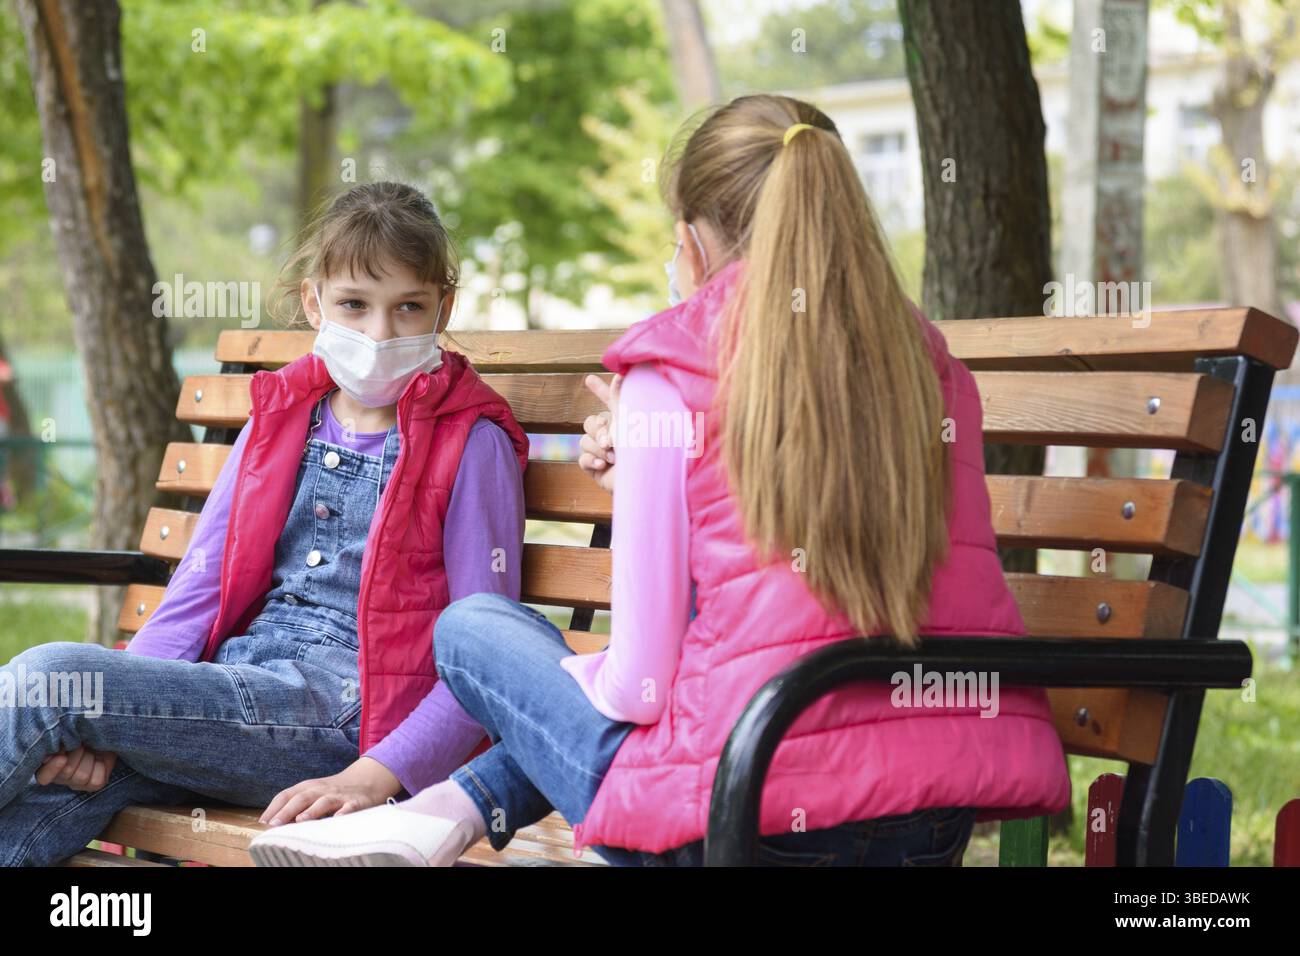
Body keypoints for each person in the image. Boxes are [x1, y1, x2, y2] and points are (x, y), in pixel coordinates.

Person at [248, 96, 1071, 868]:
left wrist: (559, 676)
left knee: (474, 630)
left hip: (731, 826)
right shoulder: (928, 366)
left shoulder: (675, 366)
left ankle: (446, 812)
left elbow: (640, 686)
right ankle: (443, 814)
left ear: (691, 241)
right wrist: (652, 481)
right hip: (930, 821)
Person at [0, 182, 527, 866]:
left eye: (408, 309)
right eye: (354, 306)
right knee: (44, 796)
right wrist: (106, 725)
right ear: (314, 303)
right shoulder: (282, 420)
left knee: (50, 679)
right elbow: (201, 584)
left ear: (443, 308)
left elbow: (485, 657)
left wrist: (375, 774)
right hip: (237, 693)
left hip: (344, 718)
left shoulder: (469, 443)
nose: (379, 334)